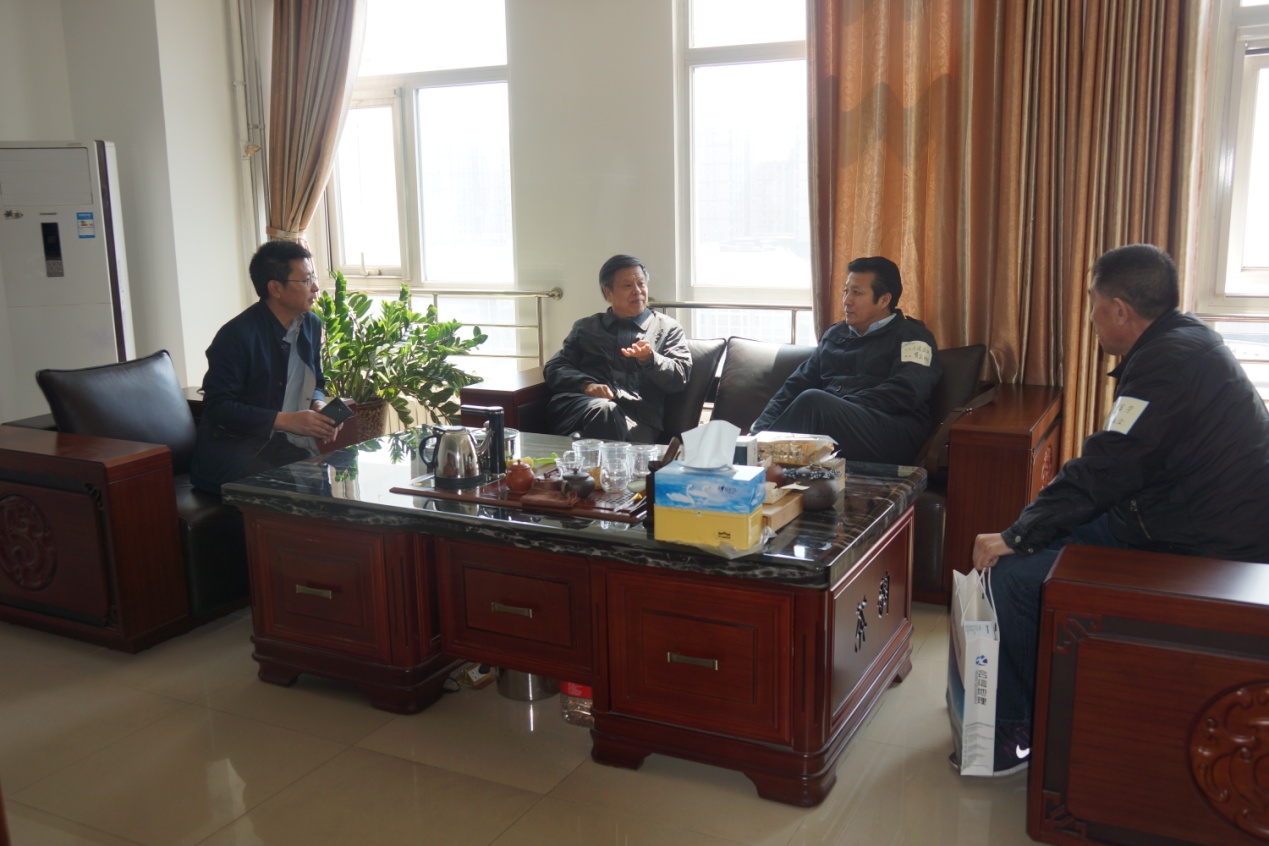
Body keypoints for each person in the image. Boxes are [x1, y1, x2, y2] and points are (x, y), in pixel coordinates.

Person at [971, 243, 1269, 775]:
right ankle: (1012, 705)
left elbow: (1109, 465)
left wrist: (1015, 534)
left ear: (1120, 311)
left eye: (1092, 304)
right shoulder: (1181, 339)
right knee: (1037, 538)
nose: (1090, 319)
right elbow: (1120, 465)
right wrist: (1029, 527)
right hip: (1173, 516)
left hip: (1202, 548)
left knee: (1013, 575)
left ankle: (1023, 733)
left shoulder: (1166, 364)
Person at [750, 256, 943, 463]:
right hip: (834, 427)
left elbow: (908, 389)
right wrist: (759, 432)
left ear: (884, 300)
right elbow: (794, 386)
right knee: (803, 405)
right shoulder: (835, 335)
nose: (846, 300)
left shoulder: (912, 336)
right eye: (846, 291)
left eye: (857, 293)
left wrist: (840, 406)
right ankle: (755, 457)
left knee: (813, 401)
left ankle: (756, 462)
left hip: (891, 432)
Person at [190, 240, 340, 494]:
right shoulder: (236, 336)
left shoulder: (310, 324)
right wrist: (285, 421)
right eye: (306, 281)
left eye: (313, 278)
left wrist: (318, 405)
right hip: (236, 452)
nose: (315, 287)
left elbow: (317, 380)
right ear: (275, 288)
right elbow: (218, 407)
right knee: (300, 490)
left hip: (284, 446)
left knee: (335, 480)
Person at [543, 254, 692, 443]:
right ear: (608, 293)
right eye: (628, 286)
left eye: (641, 284)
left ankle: (580, 447)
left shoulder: (667, 328)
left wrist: (650, 359)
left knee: (583, 437)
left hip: (636, 419)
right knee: (605, 410)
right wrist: (586, 385)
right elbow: (554, 368)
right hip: (584, 407)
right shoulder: (586, 328)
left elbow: (680, 377)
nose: (637, 291)